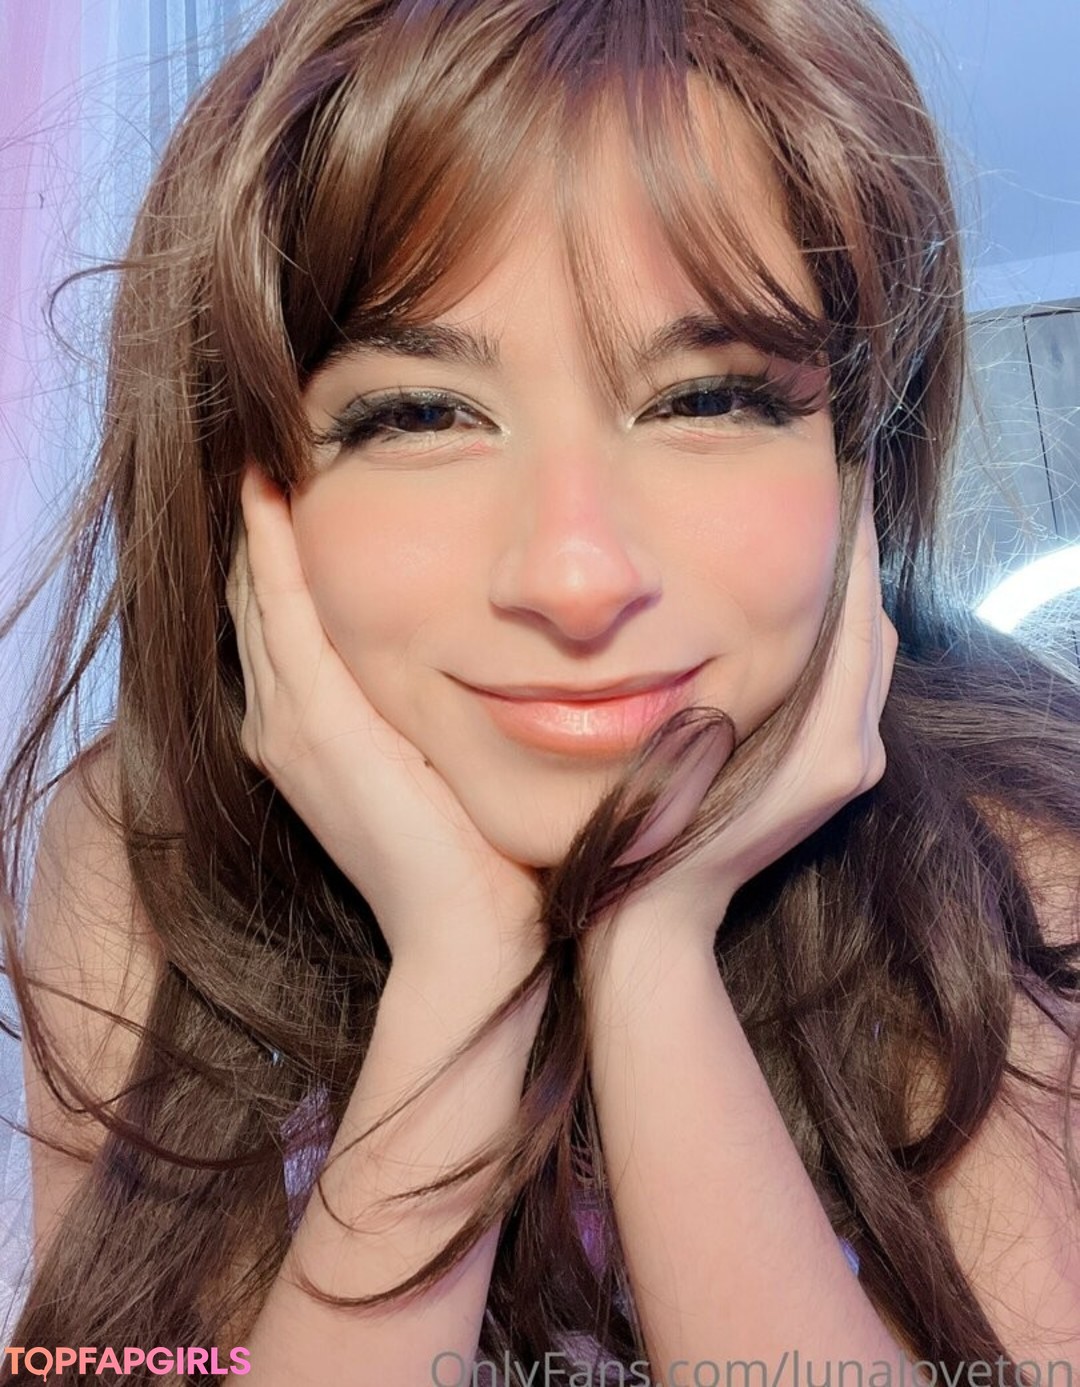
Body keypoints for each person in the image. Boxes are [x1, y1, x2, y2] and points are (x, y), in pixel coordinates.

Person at [0, 0, 1078, 1382]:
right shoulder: (141, 854)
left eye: (708, 399)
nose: (576, 576)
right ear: (249, 489)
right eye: (420, 414)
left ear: (857, 456)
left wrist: (651, 946)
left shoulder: (1010, 866)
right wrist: (461, 973)